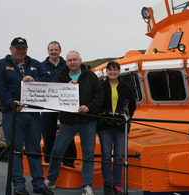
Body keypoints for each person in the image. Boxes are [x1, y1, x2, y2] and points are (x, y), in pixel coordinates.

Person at [0, 37, 53, 195]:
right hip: (12, 114)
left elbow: (48, 80)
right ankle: (18, 185)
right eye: (18, 48)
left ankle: (39, 184)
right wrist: (11, 102)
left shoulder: (36, 64)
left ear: (27, 49)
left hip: (33, 114)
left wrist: (35, 80)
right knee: (16, 150)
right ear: (11, 49)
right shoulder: (0, 65)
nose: (21, 51)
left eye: (23, 48)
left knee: (34, 150)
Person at [44, 51, 104, 195]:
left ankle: (87, 185)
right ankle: (51, 180)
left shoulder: (90, 76)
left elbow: (100, 95)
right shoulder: (60, 78)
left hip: (87, 120)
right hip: (68, 121)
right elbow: (55, 98)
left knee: (88, 154)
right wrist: (67, 87)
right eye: (70, 60)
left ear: (80, 60)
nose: (72, 62)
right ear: (66, 62)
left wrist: (89, 107)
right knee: (57, 151)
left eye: (75, 59)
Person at [97, 61, 136, 195]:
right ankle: (107, 185)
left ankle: (117, 185)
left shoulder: (127, 87)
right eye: (110, 70)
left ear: (119, 71)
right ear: (106, 72)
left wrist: (125, 118)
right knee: (106, 156)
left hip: (121, 127)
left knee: (119, 157)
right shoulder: (101, 86)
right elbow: (96, 103)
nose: (112, 72)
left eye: (115, 69)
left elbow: (132, 106)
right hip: (104, 126)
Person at [41, 41, 77, 166]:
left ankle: (69, 160)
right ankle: (48, 160)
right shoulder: (41, 66)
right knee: (48, 132)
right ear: (48, 51)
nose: (53, 52)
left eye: (56, 50)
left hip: (64, 105)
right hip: (47, 106)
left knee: (68, 131)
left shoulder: (67, 65)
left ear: (60, 51)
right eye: (51, 50)